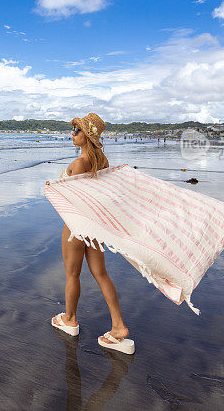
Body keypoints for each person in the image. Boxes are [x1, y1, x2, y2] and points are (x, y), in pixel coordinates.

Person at [48, 113, 131, 353]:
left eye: (76, 131)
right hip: (93, 228)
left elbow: (70, 201)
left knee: (72, 274)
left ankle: (70, 319)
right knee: (101, 274)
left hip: (75, 228)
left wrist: (54, 189)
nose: (72, 134)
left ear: (87, 136)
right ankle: (118, 326)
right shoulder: (102, 162)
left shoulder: (77, 165)